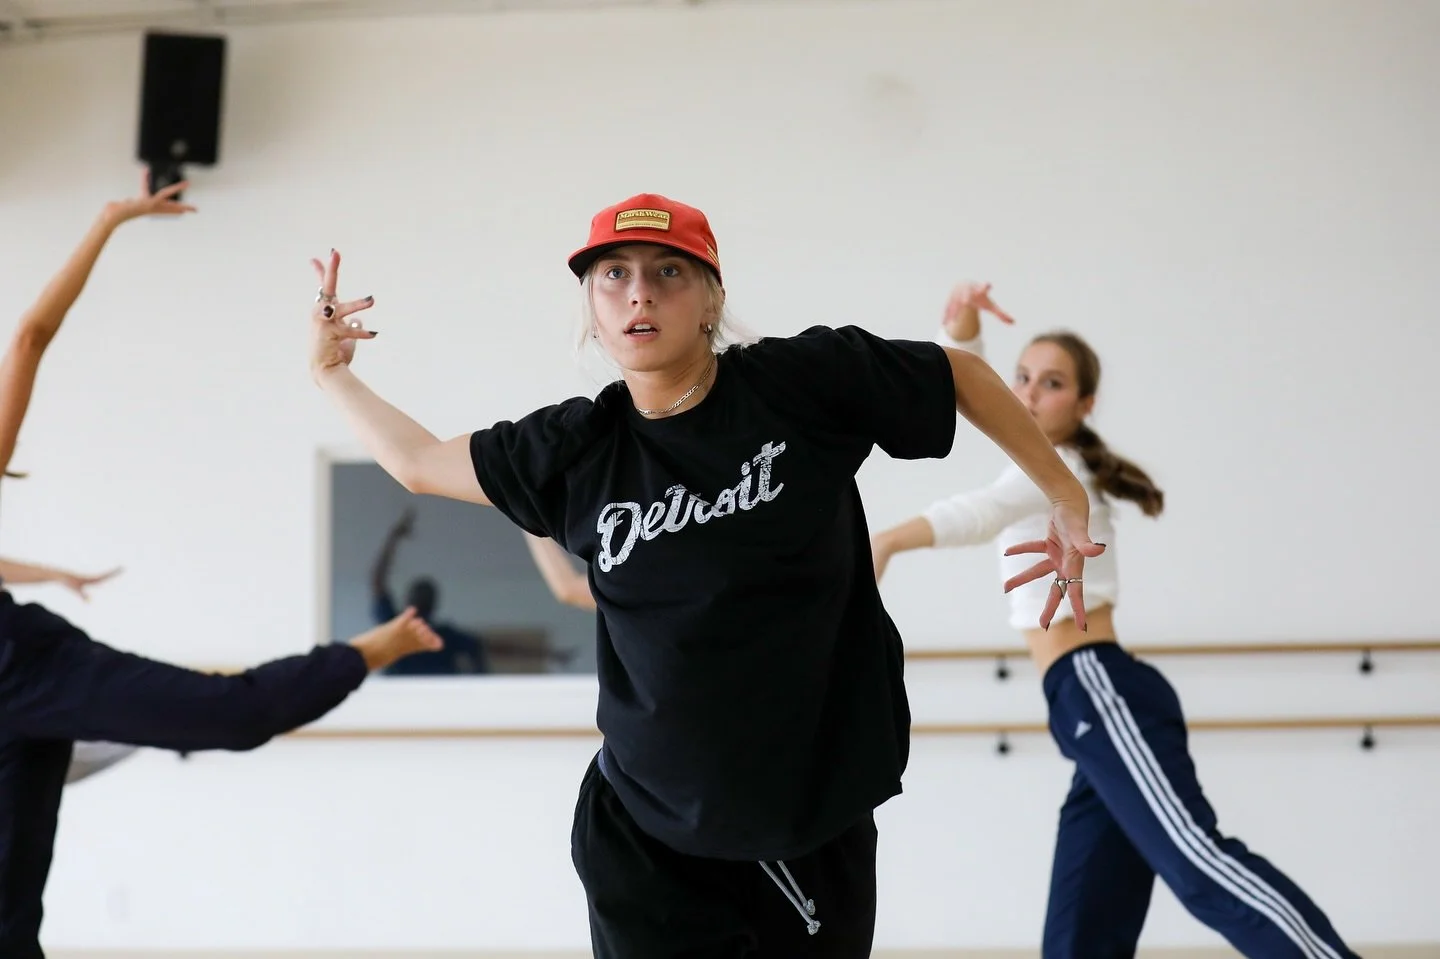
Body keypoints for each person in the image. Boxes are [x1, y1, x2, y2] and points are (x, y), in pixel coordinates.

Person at [306, 193, 1102, 958]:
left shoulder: (799, 386)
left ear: (711, 299)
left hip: (809, 818)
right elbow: (417, 463)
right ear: (591, 306)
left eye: (667, 271)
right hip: (645, 833)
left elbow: (957, 375)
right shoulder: (576, 448)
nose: (638, 293)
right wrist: (334, 375)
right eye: (613, 274)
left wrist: (1064, 495)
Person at [0, 177, 446, 958]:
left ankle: (371, 647)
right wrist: (48, 570)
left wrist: (107, 221)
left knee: (230, 716)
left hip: (26, 670)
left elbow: (32, 334)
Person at [870, 283, 1358, 959]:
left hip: (1101, 685)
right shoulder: (1039, 465)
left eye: (1053, 382)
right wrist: (965, 331)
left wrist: (887, 539)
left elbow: (980, 503)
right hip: (1082, 703)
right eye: (1023, 377)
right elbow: (979, 403)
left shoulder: (1059, 469)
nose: (1032, 392)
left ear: (1084, 403)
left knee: (1198, 864)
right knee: (1080, 932)